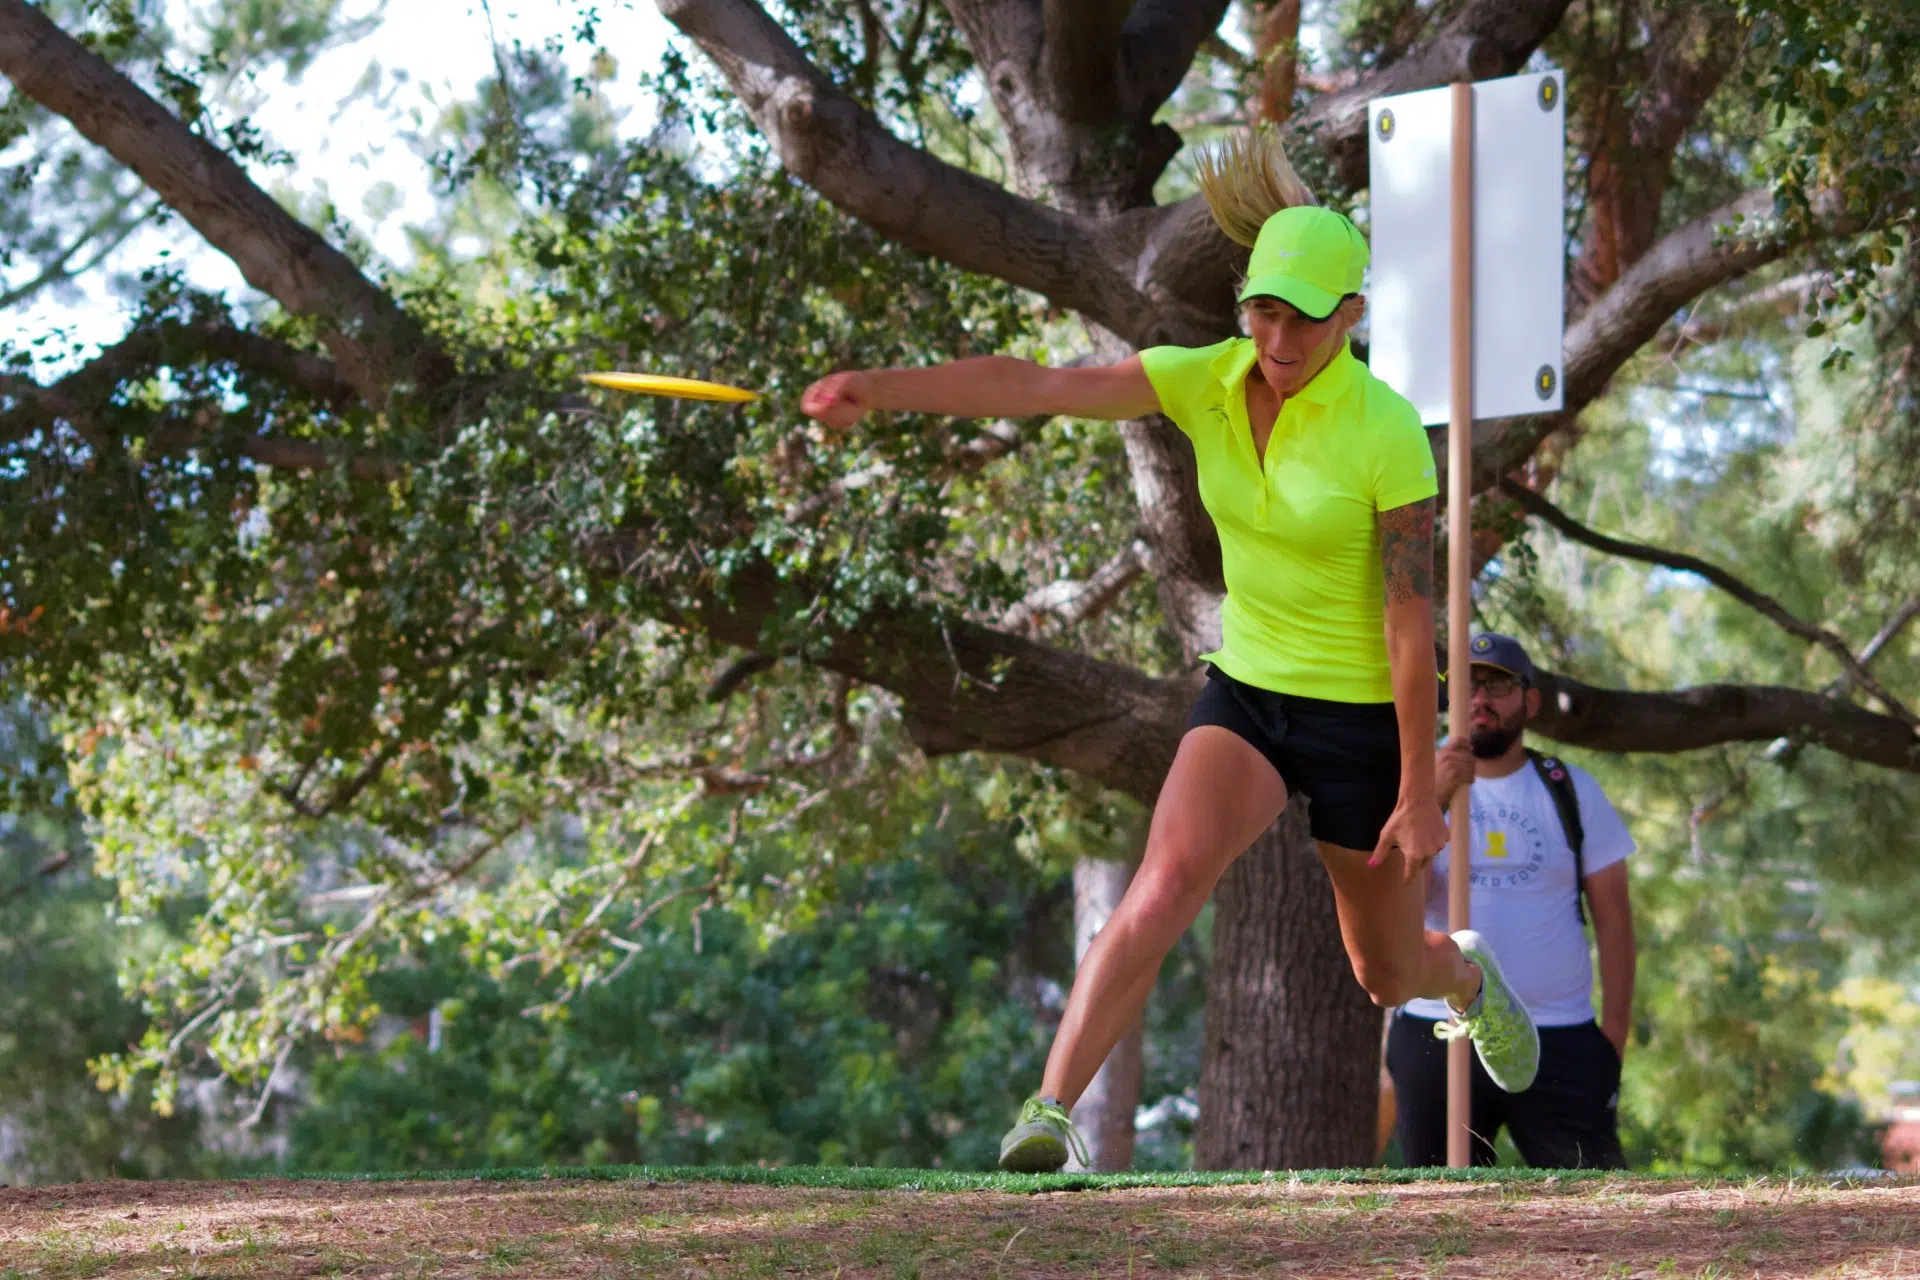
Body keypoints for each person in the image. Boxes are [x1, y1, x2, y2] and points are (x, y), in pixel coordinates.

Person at [799, 135, 1540, 1173]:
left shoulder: (1385, 432)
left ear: (1351, 317)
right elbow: (1044, 385)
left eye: (1304, 315)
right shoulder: (1204, 378)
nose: (1277, 334)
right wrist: (880, 387)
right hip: (1247, 693)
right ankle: (1049, 1112)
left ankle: (1461, 981)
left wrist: (1420, 788)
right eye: (1263, 308)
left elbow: (1409, 623)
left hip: (1363, 716)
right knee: (1164, 878)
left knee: (1381, 974)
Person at [1387, 633, 1637, 1169]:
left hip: (1560, 1036)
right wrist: (1433, 796)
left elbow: (1615, 920)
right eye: (1469, 684)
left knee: (1596, 1207)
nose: (1481, 698)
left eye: (1498, 684)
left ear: (1530, 701)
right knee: (1440, 1213)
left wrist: (1613, 1034)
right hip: (1440, 1025)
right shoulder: (1414, 790)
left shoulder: (1570, 789)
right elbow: (1387, 897)